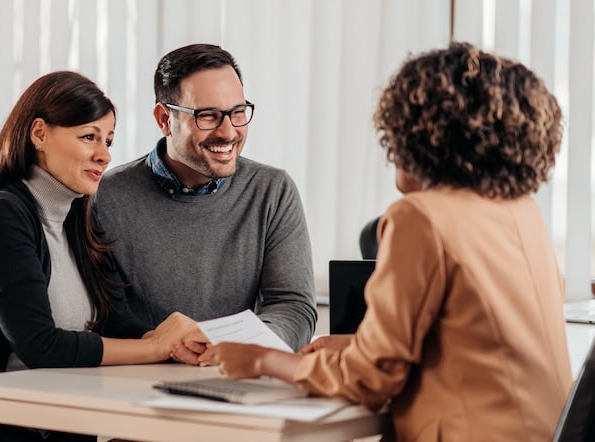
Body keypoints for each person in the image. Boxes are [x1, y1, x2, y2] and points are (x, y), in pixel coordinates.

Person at [199, 42, 571, 441]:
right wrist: (354, 344)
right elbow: (476, 343)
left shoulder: (420, 218)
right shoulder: (520, 211)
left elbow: (370, 381)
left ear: (422, 135)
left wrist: (264, 361)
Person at [0, 44, 318, 360]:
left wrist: (234, 348)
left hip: (233, 377)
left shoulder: (273, 191)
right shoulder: (98, 197)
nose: (229, 131)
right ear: (164, 119)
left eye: (237, 113)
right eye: (208, 116)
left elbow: (293, 307)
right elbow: (84, 317)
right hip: (128, 393)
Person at [0, 71, 197, 442]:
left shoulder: (80, 219)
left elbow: (118, 324)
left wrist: (176, 342)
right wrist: (153, 347)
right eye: (88, 137)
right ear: (39, 134)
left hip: (53, 423)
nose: (104, 155)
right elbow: (40, 346)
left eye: (109, 141)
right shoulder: (2, 213)